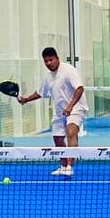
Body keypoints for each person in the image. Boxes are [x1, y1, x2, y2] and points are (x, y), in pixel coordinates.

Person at [18, 47, 87, 177]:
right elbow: (40, 92)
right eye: (46, 61)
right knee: (58, 138)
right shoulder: (48, 77)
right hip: (60, 110)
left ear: (57, 59)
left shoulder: (68, 70)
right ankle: (63, 165)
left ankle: (70, 167)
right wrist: (26, 99)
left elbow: (80, 88)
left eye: (51, 60)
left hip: (76, 107)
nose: (49, 63)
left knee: (71, 131)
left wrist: (70, 106)